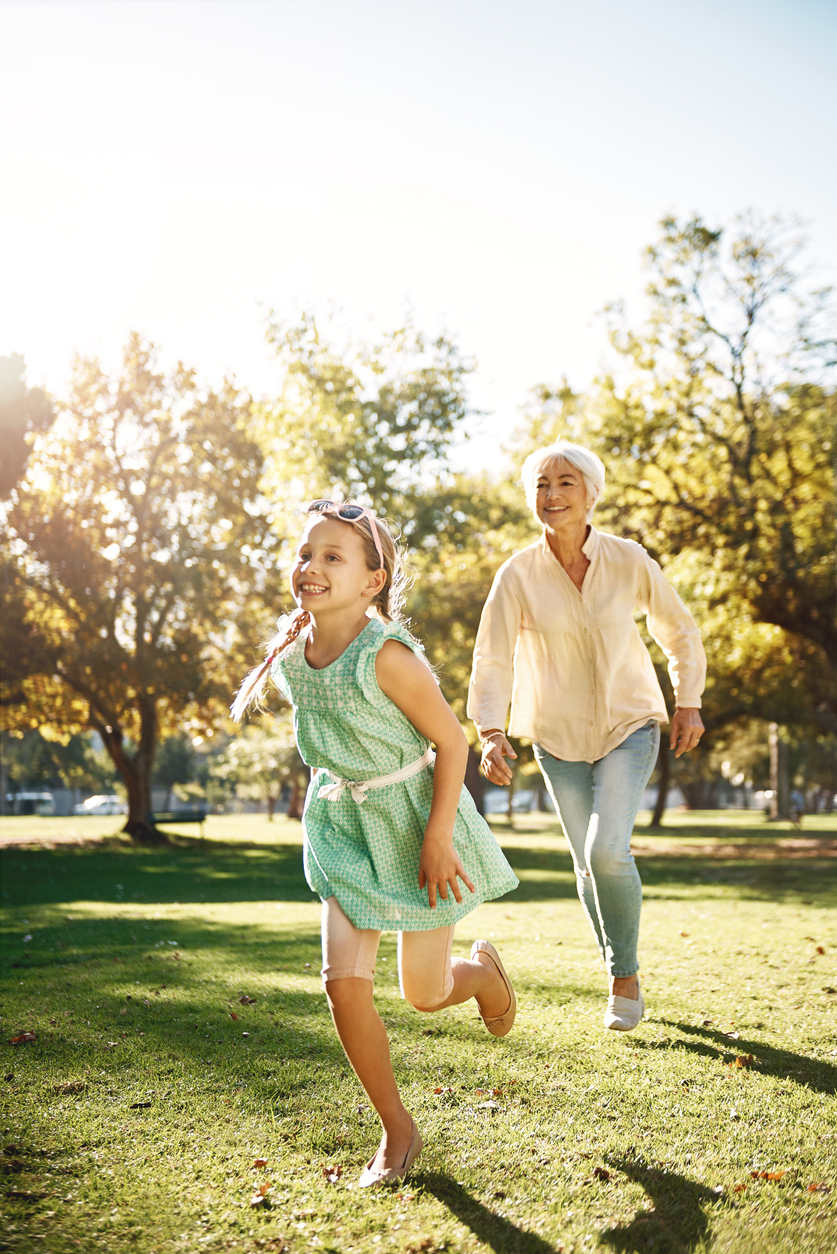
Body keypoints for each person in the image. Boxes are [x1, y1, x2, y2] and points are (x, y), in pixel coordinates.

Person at [232, 500, 519, 1187]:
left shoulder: (387, 654)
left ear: (372, 580)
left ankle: (479, 976)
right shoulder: (292, 660)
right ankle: (397, 1132)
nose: (311, 566)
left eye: (333, 556)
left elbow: (450, 742)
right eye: (306, 553)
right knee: (342, 985)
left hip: (416, 822)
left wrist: (437, 838)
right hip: (343, 829)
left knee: (423, 993)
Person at [468, 442, 706, 1032]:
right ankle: (617, 966)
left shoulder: (628, 560)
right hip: (556, 735)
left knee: (607, 851)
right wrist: (491, 731)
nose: (551, 495)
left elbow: (678, 630)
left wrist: (689, 701)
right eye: (541, 485)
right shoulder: (517, 574)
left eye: (565, 483)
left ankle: (623, 978)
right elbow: (492, 657)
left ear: (592, 492)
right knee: (584, 862)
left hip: (630, 722)